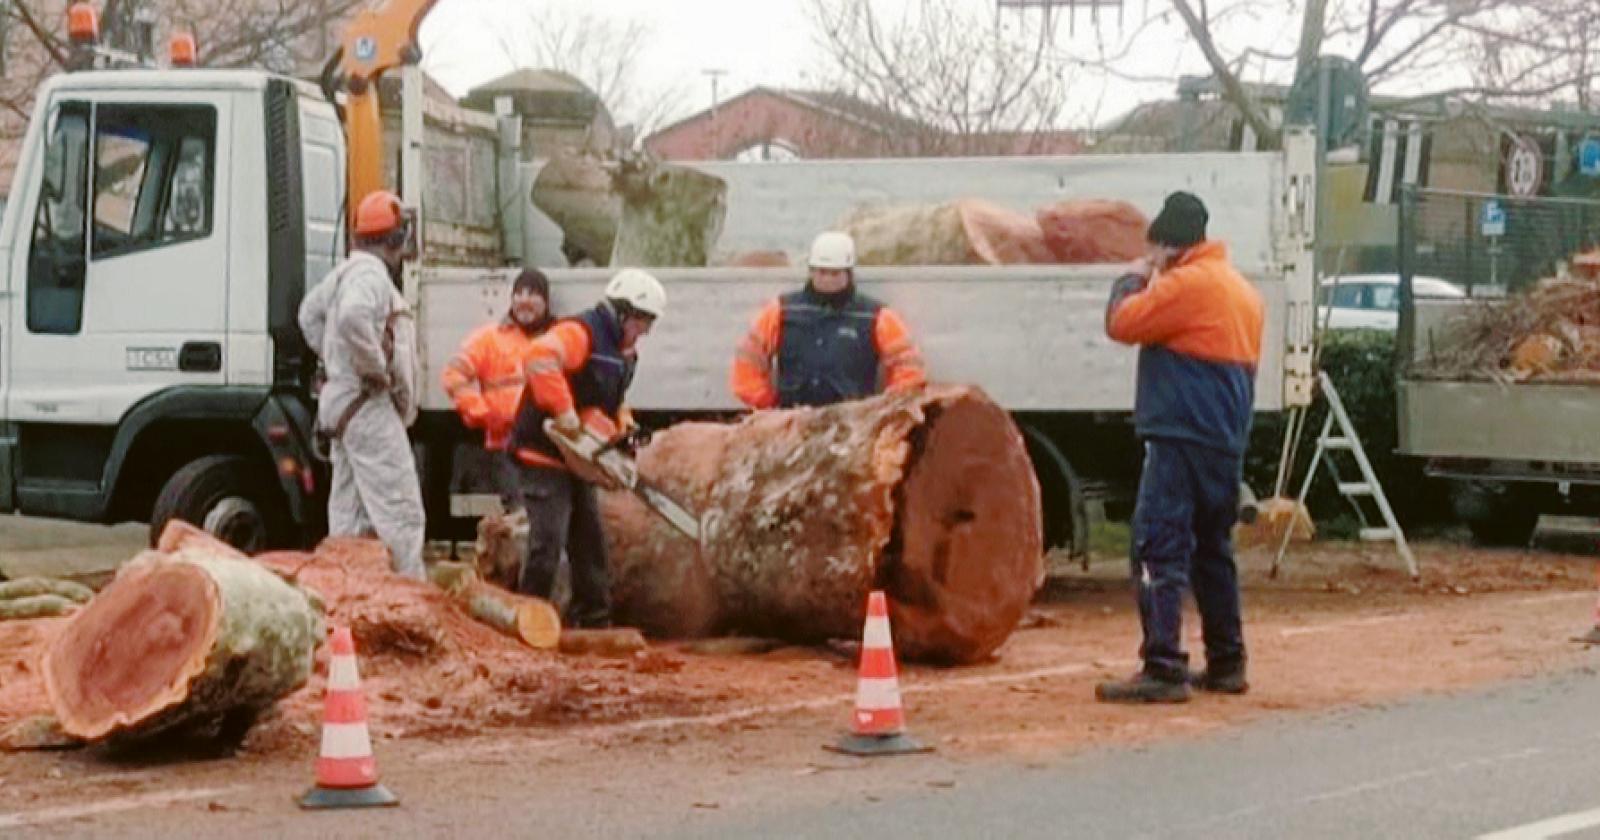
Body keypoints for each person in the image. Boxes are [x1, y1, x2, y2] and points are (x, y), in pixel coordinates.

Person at [1097, 191, 1265, 704]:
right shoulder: (1240, 290)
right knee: (1213, 550)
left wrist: (1132, 277)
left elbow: (1122, 324)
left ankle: (1163, 665)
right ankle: (1227, 661)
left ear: (1169, 245)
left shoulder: (1187, 284)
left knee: (1158, 545)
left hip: (1179, 435)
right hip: (1223, 438)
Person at [507, 268, 666, 626]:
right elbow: (539, 358)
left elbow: (611, 403)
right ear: (623, 312)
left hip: (577, 457)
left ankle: (593, 617)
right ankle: (527, 617)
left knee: (589, 541)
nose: (643, 331)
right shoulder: (581, 332)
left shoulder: (625, 355)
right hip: (543, 451)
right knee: (548, 540)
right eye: (641, 322)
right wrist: (563, 410)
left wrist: (623, 428)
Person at [298, 189, 425, 579]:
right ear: (395, 239)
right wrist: (372, 369)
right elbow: (353, 318)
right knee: (401, 511)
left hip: (341, 402)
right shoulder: (371, 277)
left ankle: (345, 592)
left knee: (349, 512)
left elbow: (308, 317)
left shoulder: (344, 274)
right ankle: (411, 600)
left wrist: (335, 360)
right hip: (365, 404)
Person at [730, 231, 925, 409]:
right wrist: (767, 404)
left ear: (848, 273)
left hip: (851, 424)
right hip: (793, 419)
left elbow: (909, 367)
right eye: (822, 272)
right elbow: (748, 359)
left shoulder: (877, 317)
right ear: (811, 271)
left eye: (835, 273)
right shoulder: (781, 311)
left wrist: (884, 410)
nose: (827, 279)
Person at [441, 269, 555, 503]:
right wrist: (480, 412)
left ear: (545, 301)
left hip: (550, 448)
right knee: (520, 518)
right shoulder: (489, 338)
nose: (524, 300)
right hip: (507, 446)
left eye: (532, 293)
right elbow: (453, 374)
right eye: (519, 293)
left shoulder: (559, 338)